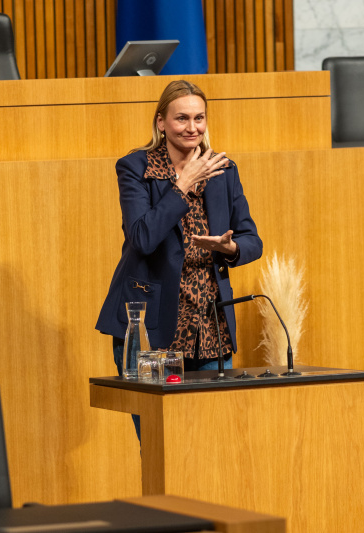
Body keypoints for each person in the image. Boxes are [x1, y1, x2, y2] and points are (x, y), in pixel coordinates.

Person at [95, 80, 263, 436]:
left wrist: (229, 249)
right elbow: (142, 238)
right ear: (161, 122)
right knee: (160, 439)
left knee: (210, 440)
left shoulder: (223, 169)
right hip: (152, 326)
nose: (192, 128)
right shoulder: (136, 168)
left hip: (210, 328)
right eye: (182, 118)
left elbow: (252, 240)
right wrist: (182, 185)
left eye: (199, 118)